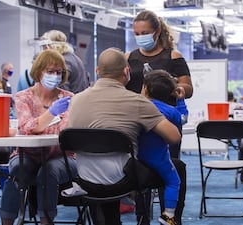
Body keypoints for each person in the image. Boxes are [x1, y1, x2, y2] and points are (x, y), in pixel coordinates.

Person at [67, 47, 181, 225]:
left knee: (104, 164)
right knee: (178, 167)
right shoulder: (137, 101)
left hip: (85, 179)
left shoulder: (76, 100)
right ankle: (170, 219)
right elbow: (174, 137)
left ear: (97, 71)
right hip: (123, 180)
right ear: (127, 72)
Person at [126, 10, 191, 224]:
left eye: (145, 32)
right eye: (137, 32)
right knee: (141, 174)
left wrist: (176, 90)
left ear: (157, 31)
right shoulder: (129, 57)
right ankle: (142, 217)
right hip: (139, 126)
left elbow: (188, 88)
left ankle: (170, 216)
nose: (140, 35)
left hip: (165, 123)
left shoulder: (173, 57)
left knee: (170, 172)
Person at [0, 49, 77, 225]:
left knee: (48, 171)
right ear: (38, 71)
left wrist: (38, 125)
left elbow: (64, 131)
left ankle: (46, 221)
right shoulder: (22, 97)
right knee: (18, 170)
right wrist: (51, 114)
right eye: (50, 71)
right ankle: (7, 221)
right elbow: (26, 126)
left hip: (62, 156)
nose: (55, 76)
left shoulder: (68, 98)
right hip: (26, 154)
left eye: (59, 72)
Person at [140, 70, 183, 224]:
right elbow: (182, 120)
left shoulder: (137, 107)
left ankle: (141, 217)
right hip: (159, 158)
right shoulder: (171, 112)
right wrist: (181, 101)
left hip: (136, 158)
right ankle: (168, 215)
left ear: (145, 89)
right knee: (173, 182)